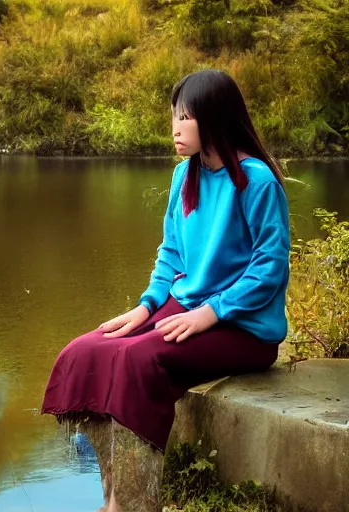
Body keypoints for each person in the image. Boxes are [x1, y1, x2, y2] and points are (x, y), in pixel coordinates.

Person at [41, 69, 290, 512]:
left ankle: (133, 505)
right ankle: (113, 494)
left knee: (139, 360)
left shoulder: (257, 182)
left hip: (246, 328)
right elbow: (171, 253)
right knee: (89, 349)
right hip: (184, 306)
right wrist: (145, 307)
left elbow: (269, 268)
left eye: (186, 117)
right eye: (174, 115)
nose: (176, 126)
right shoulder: (184, 177)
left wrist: (210, 313)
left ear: (215, 118)